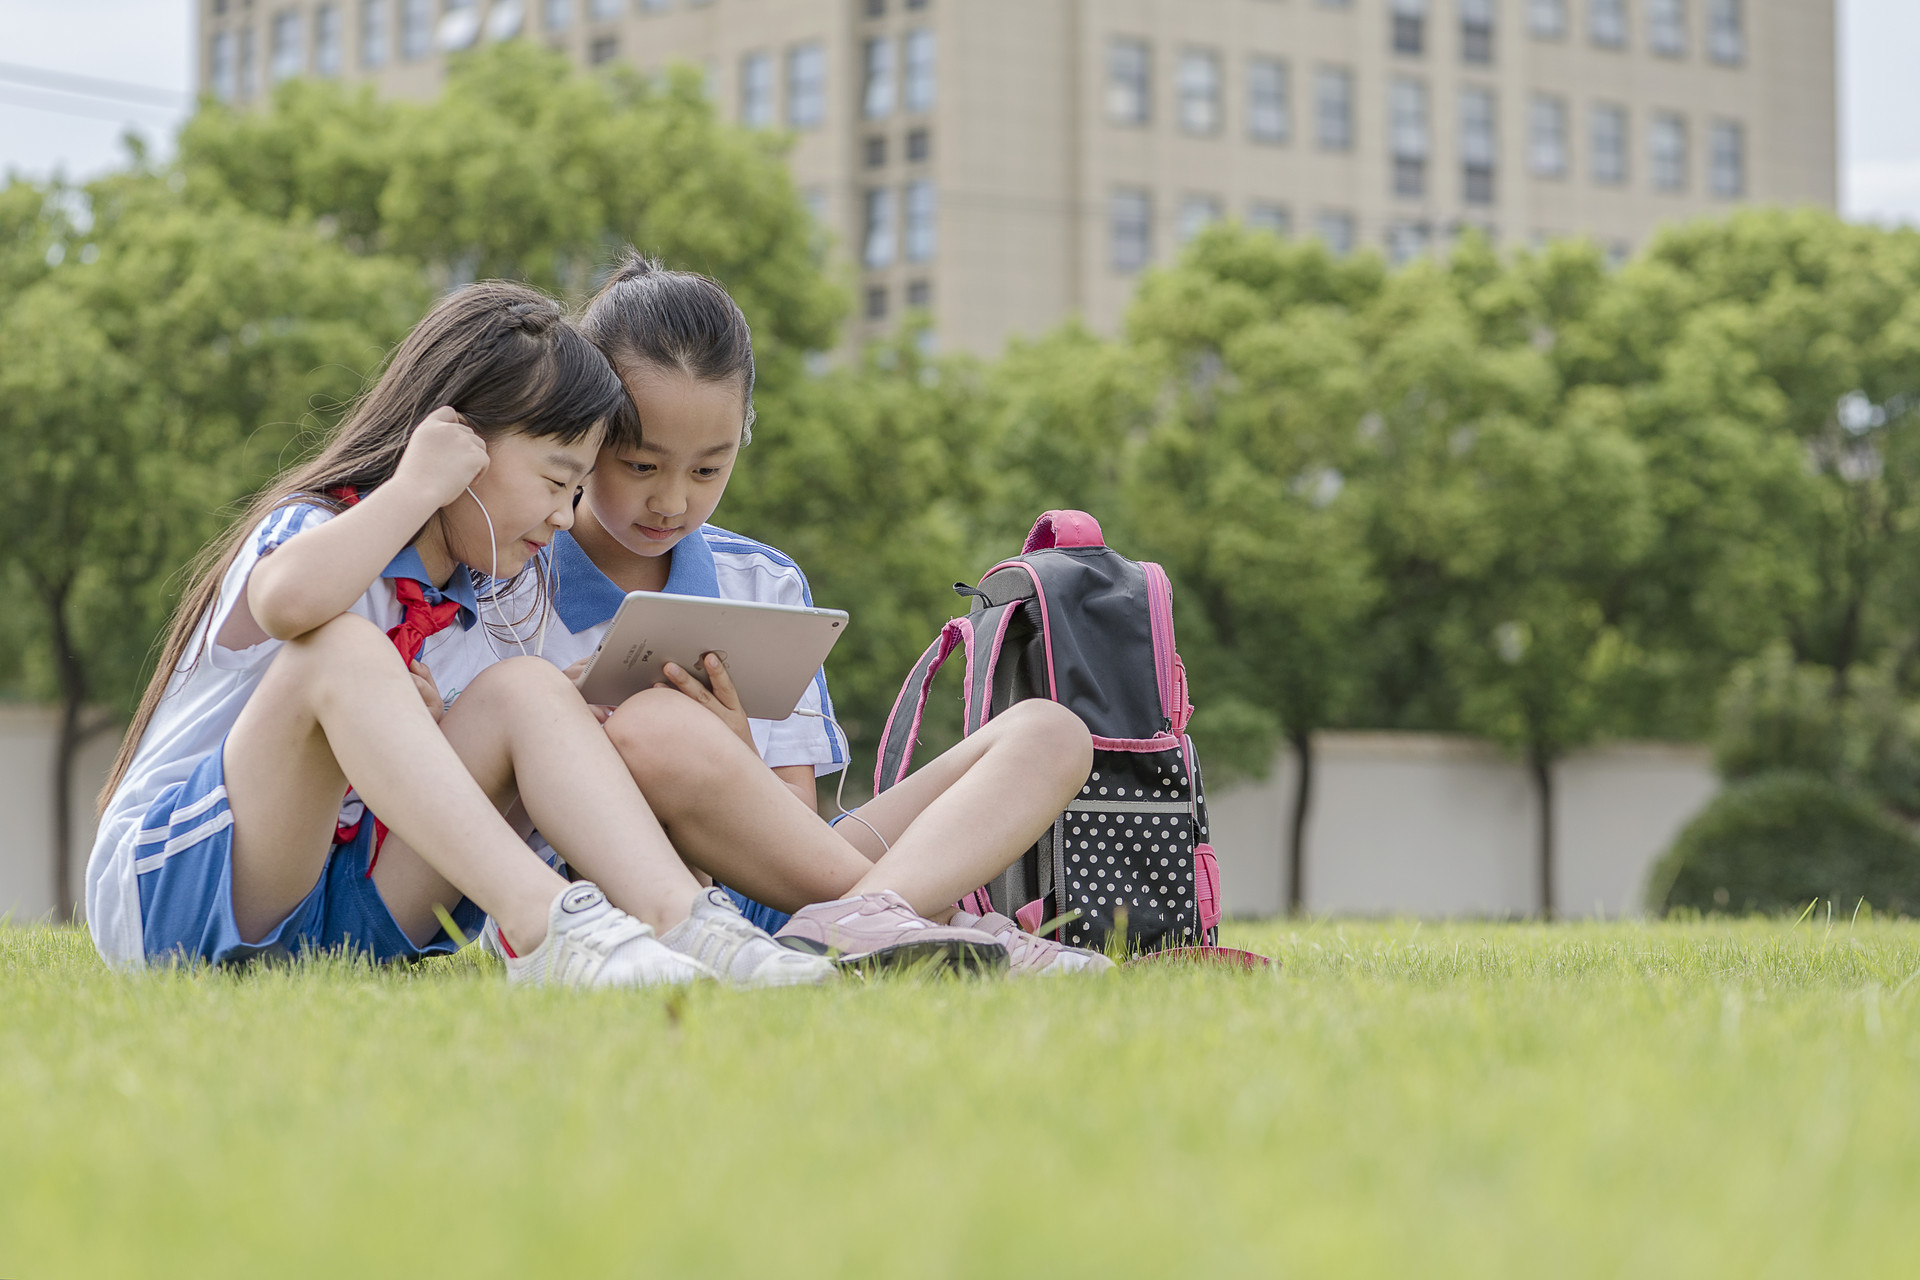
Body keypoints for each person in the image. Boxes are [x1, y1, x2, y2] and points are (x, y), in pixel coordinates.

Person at [85, 281, 834, 990]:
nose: (565, 515)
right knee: (341, 650)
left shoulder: (494, 603)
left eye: (577, 490)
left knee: (529, 691)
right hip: (178, 890)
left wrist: (502, 724)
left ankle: (685, 924)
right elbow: (286, 602)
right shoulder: (320, 529)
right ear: (459, 448)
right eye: (555, 482)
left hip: (352, 912)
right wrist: (416, 486)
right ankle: (548, 927)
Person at [532, 252, 1112, 976]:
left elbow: (796, 820)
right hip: (626, 893)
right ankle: (934, 926)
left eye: (708, 469)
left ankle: (873, 919)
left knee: (1051, 732)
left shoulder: (761, 581)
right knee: (654, 728)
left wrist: (735, 752)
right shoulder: (518, 576)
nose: (673, 501)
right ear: (586, 432)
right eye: (642, 467)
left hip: (782, 889)